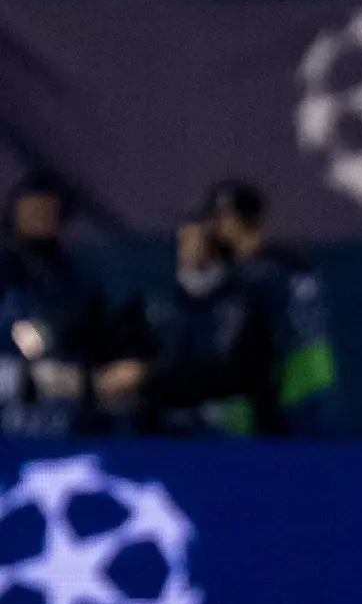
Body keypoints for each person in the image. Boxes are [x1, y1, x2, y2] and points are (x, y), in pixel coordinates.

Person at [94, 206, 276, 434]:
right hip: (162, 430)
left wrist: (146, 376)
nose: (191, 250)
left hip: (226, 434)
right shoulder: (159, 303)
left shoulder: (240, 305)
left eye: (202, 241)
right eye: (185, 241)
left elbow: (222, 373)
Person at [204, 179, 339, 434]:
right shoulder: (292, 262)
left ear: (232, 222)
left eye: (219, 219)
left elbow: (253, 348)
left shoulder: (257, 274)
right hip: (317, 382)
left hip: (287, 390)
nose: (214, 228)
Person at [0, 171, 112, 437]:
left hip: (60, 380)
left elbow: (91, 334)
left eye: (46, 211)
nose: (38, 218)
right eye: (31, 210)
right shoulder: (5, 270)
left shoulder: (75, 278)